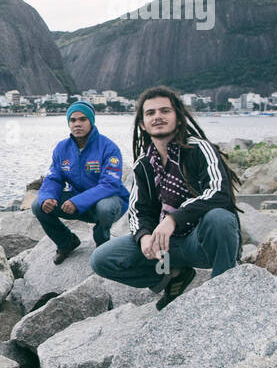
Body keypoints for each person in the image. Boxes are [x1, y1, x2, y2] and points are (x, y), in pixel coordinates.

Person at [90, 86, 243, 310]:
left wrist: (173, 219)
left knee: (220, 218)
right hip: (166, 249)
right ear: (142, 124)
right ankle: (172, 277)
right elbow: (138, 211)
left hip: (201, 243)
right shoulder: (144, 164)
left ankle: (221, 296)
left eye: (165, 111)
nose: (158, 117)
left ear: (178, 118)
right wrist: (143, 237)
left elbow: (220, 193)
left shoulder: (200, 149)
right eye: (150, 113)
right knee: (101, 259)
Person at [32, 102, 130, 264]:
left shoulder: (108, 147)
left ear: (91, 121)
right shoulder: (62, 148)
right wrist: (48, 197)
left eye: (83, 119)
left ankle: (102, 243)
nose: (77, 124)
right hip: (77, 202)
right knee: (38, 205)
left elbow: (110, 185)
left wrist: (77, 201)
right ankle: (66, 242)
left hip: (110, 202)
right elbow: (54, 178)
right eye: (73, 120)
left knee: (105, 207)